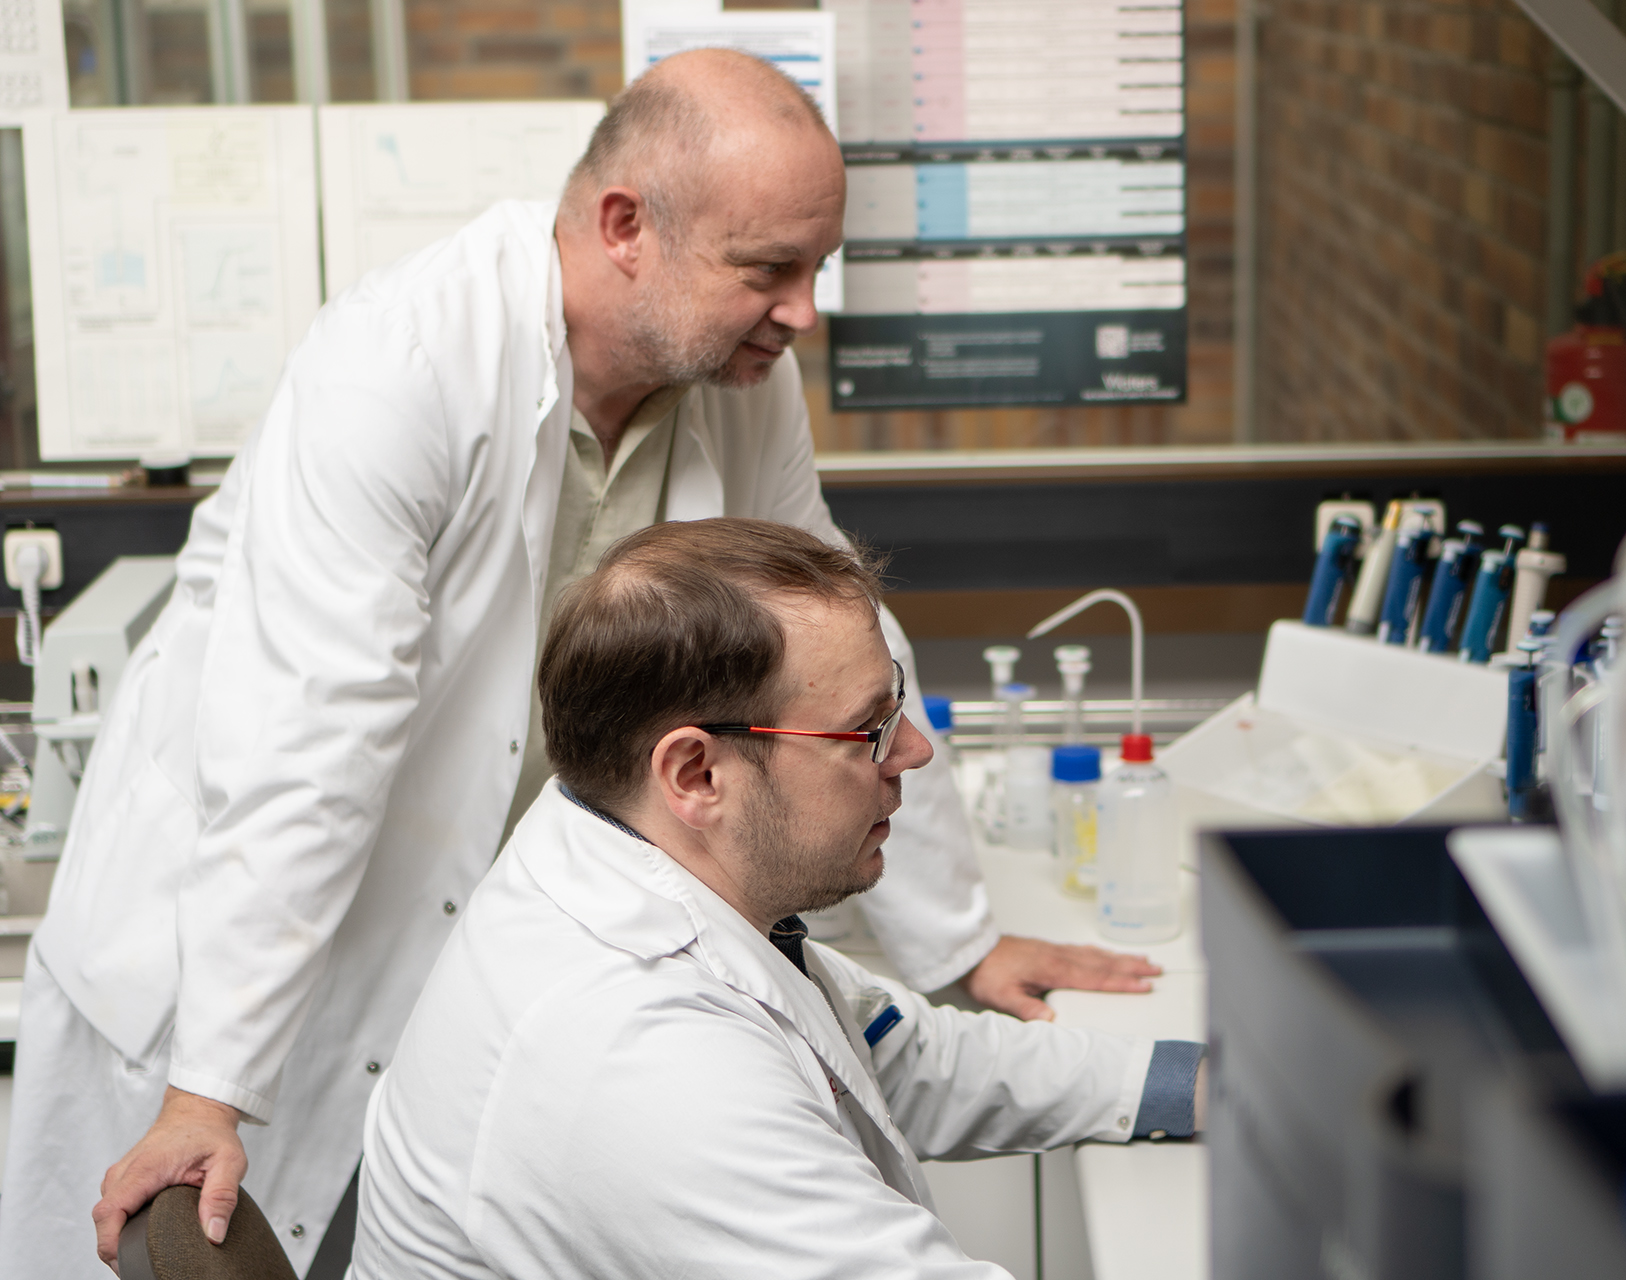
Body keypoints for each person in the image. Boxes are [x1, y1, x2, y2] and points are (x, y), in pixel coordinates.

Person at [0, 49, 1157, 1278]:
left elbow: (838, 641)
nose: (805, 312)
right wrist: (209, 1089)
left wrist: (958, 942)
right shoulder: (401, 363)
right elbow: (305, 745)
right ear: (624, 229)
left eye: (817, 268)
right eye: (768, 268)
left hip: (500, 931)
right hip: (236, 944)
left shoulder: (737, 382)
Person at [352, 517, 1205, 1278]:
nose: (914, 752)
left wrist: (1200, 1086)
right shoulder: (638, 1059)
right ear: (696, 774)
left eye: (898, 706)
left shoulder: (623, 845)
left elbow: (899, 1056)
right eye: (869, 728)